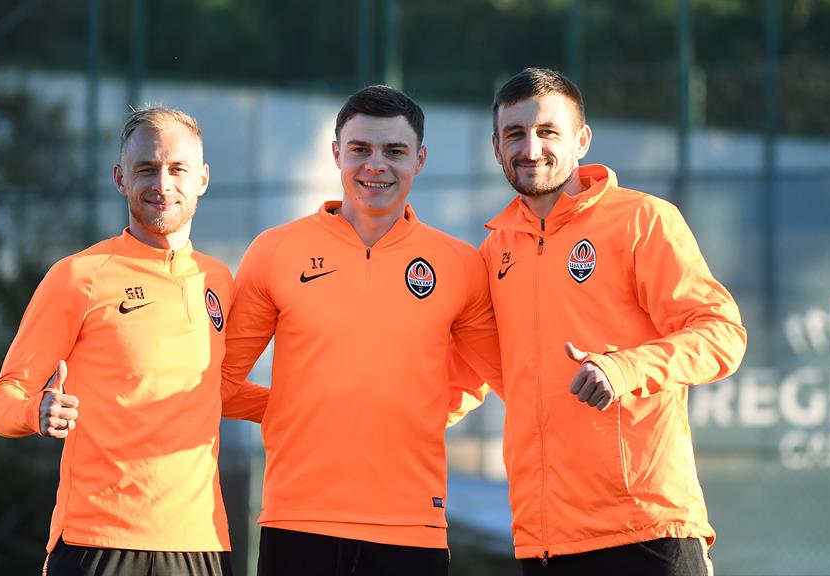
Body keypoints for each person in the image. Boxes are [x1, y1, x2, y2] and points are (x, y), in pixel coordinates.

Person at [221, 85, 503, 576]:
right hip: (298, 518)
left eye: (394, 151)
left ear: (420, 159)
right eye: (360, 149)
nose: (376, 165)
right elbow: (221, 381)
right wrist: (292, 407)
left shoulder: (459, 264)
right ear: (336, 153)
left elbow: (496, 372)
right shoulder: (275, 250)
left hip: (412, 525)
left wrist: (419, 409)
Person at [478, 67, 747, 575]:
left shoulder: (642, 219)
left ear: (582, 140)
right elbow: (476, 369)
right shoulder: (495, 249)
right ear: (496, 147)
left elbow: (721, 335)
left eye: (547, 131)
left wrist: (623, 369)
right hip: (545, 540)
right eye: (515, 134)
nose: (531, 148)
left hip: (646, 529)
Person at [0, 106, 267, 576]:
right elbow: (1, 400)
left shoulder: (218, 280)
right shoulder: (78, 275)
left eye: (177, 169)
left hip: (201, 544)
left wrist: (298, 405)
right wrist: (35, 412)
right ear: (120, 178)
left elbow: (212, 391)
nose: (162, 183)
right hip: (98, 542)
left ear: (202, 178)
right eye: (146, 168)